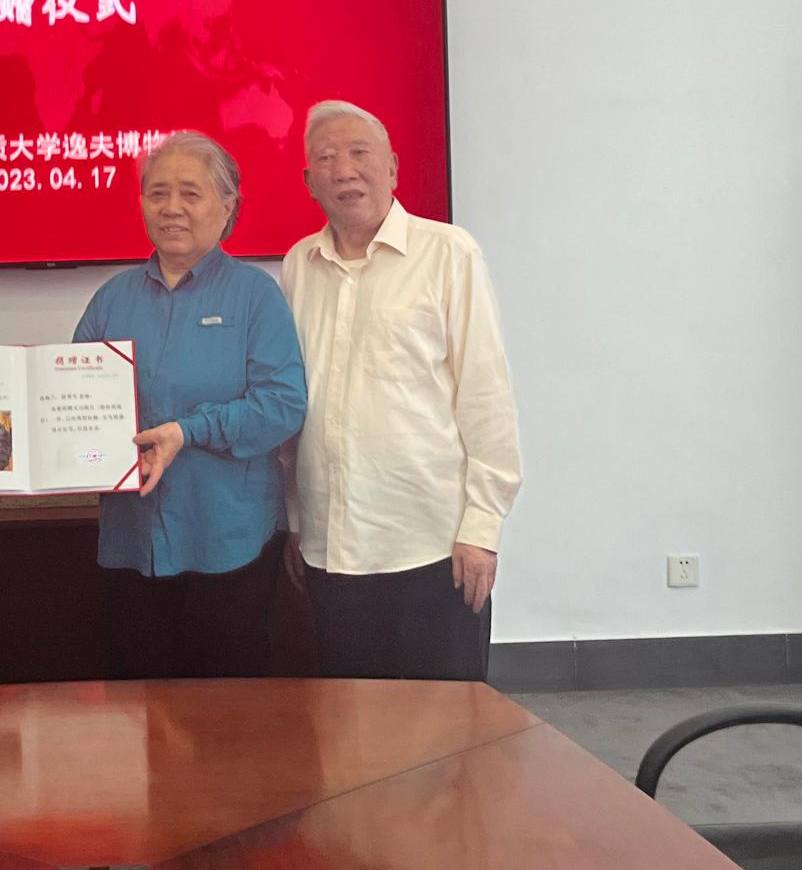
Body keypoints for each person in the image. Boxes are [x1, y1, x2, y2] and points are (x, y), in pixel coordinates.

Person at [281, 100, 521, 681]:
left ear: (391, 166)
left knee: (447, 726)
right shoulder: (298, 265)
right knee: (349, 727)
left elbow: (486, 398)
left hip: (432, 547)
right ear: (309, 182)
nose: (344, 170)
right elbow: (295, 405)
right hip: (331, 549)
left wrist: (482, 531)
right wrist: (294, 519)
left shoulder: (449, 253)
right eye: (326, 159)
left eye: (358, 153)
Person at [72, 131, 307, 679]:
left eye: (190, 193)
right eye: (157, 193)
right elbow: (70, 408)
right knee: (139, 705)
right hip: (133, 541)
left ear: (227, 206)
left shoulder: (256, 296)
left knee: (227, 709)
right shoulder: (112, 299)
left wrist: (188, 431)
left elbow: (282, 405)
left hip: (229, 541)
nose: (171, 207)